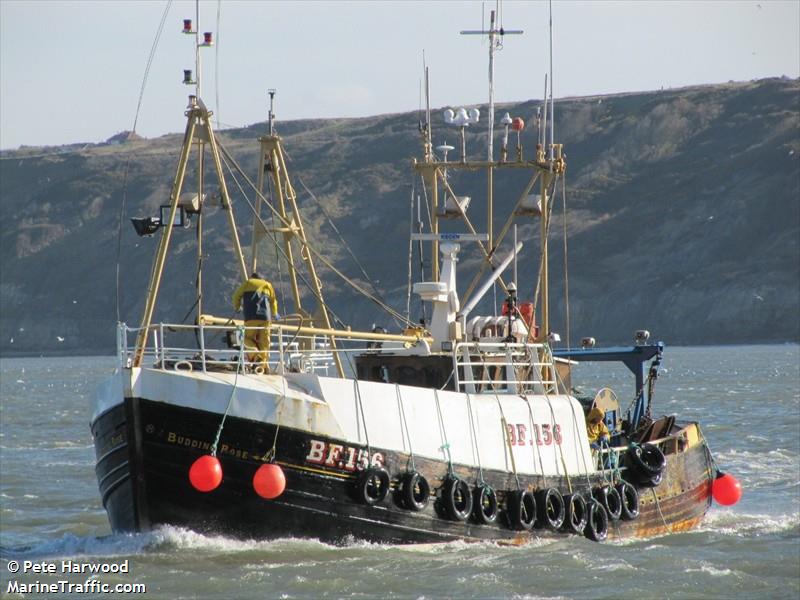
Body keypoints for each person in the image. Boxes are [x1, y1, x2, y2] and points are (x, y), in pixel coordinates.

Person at [232, 272, 279, 369]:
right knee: (264, 342)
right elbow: (273, 301)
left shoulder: (248, 283)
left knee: (243, 338)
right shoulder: (267, 285)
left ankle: (256, 356)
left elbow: (236, 297)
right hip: (266, 318)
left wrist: (237, 307)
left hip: (251, 317)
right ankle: (263, 365)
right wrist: (275, 313)